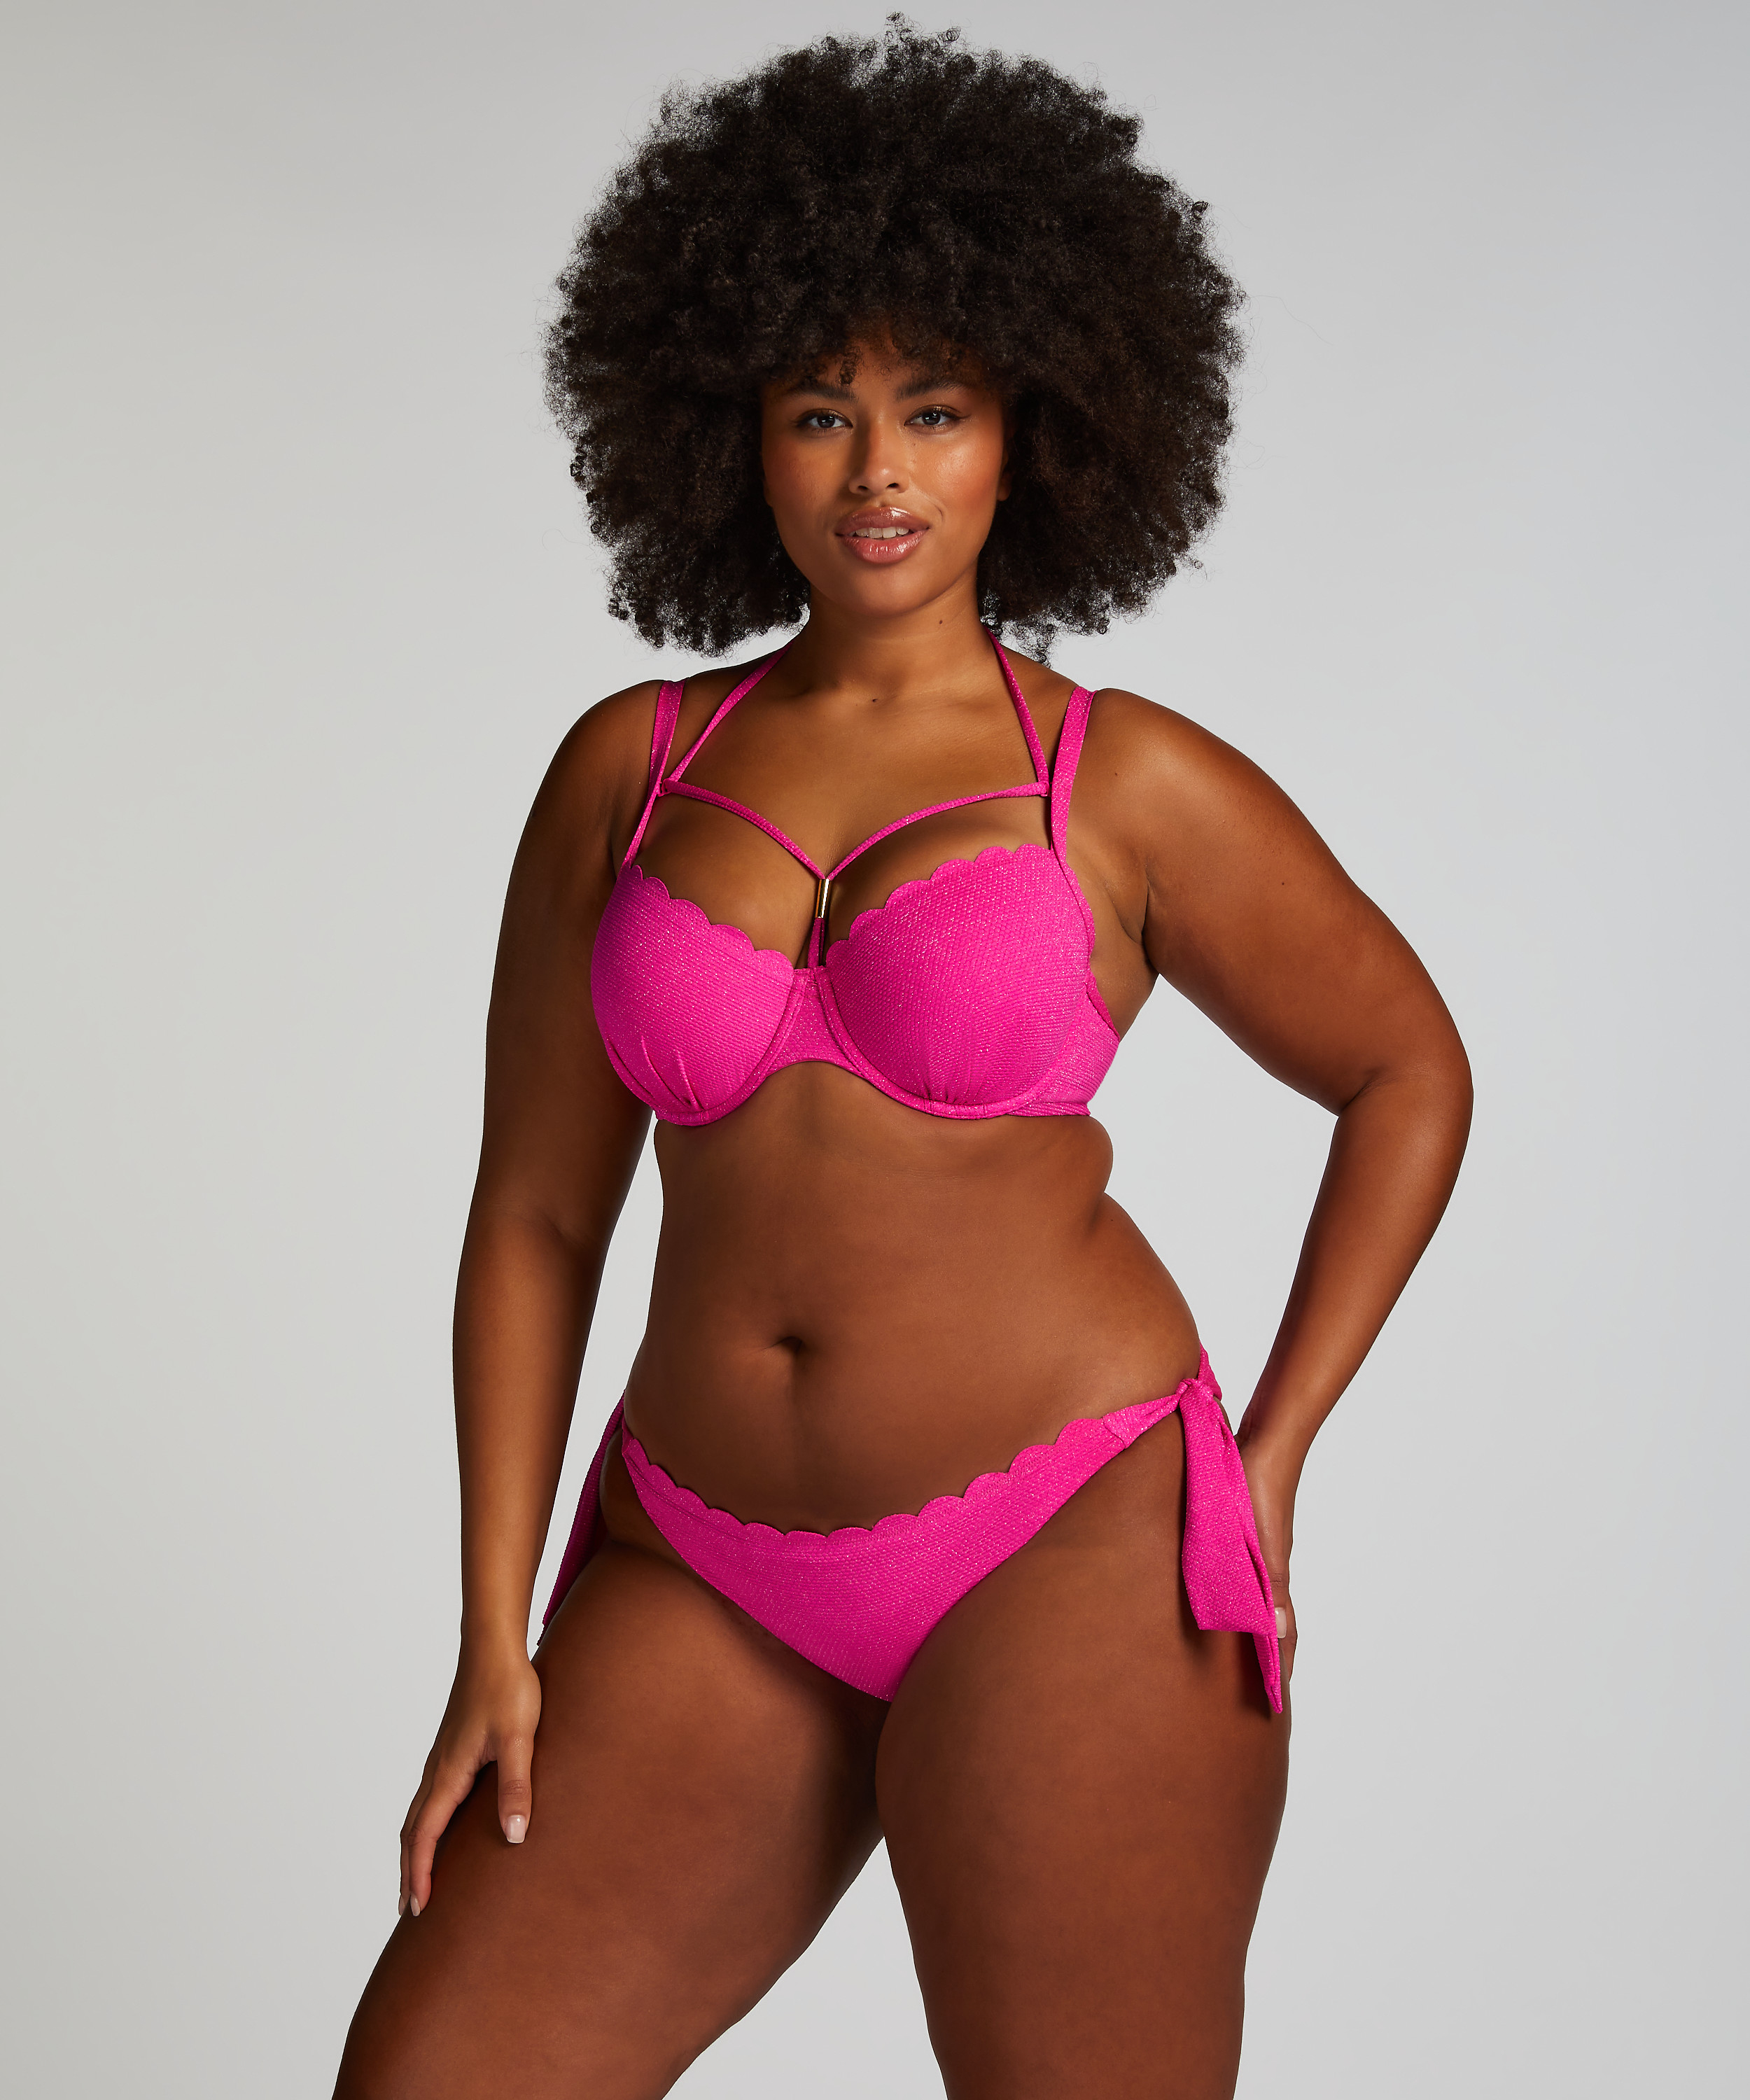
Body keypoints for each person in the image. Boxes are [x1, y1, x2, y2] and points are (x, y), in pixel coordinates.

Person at [334, 22, 1471, 2099]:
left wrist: (1272, 1455)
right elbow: (538, 1216)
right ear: (731, 440)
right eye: (819, 414)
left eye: (933, 411)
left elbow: (1407, 1071)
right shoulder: (627, 769)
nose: (876, 472)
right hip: (698, 1557)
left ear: (1030, 434)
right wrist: (493, 1630)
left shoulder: (1122, 783)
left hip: (1072, 1537)